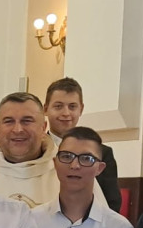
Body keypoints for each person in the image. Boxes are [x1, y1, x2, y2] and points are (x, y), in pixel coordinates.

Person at [0, 91, 105, 209]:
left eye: (27, 121)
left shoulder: (71, 170)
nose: (18, 129)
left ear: (43, 128)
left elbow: (99, 218)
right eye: (8, 121)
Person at [43, 78, 123, 212]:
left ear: (81, 109)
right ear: (46, 109)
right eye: (58, 106)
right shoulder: (37, 150)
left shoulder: (103, 153)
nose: (66, 113)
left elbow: (111, 203)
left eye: (72, 107)